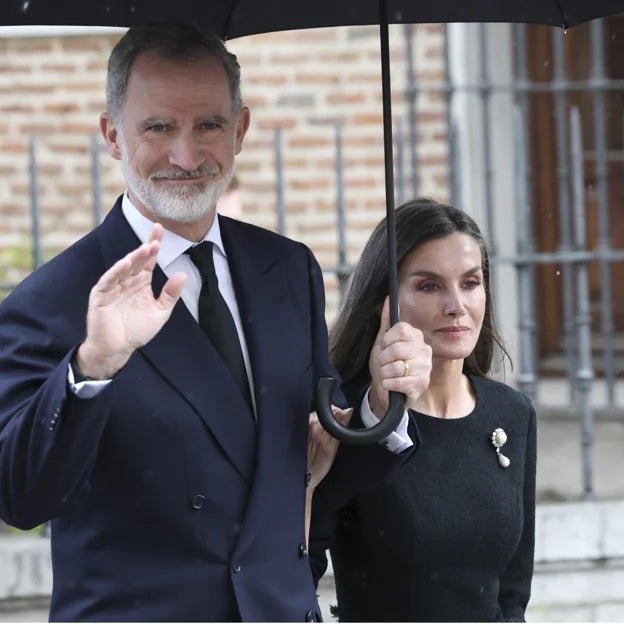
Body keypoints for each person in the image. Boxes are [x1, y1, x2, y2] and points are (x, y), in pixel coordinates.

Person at [0, 22, 433, 622]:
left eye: (208, 125)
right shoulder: (51, 300)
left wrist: (378, 407)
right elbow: (20, 495)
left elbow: (309, 473)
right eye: (158, 127)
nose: (186, 154)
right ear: (112, 135)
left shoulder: (286, 269)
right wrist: (92, 365)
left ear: (241, 129)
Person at [310, 198, 537, 622]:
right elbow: (296, 569)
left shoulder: (512, 413)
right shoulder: (350, 421)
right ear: (386, 302)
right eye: (429, 286)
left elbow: (512, 596)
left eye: (470, 283)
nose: (457, 306)